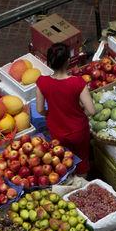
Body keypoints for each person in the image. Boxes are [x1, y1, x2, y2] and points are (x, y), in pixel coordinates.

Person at [35, 43, 94, 175]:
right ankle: (82, 182)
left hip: (56, 130)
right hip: (78, 130)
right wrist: (79, 115)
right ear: (68, 61)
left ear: (49, 61)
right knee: (81, 161)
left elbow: (39, 109)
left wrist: (51, 114)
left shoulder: (42, 82)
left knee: (62, 160)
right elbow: (91, 110)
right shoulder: (78, 82)